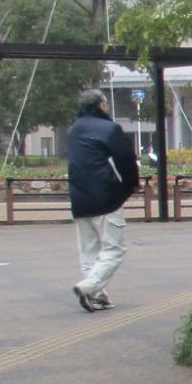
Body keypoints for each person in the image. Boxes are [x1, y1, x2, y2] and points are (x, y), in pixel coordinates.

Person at [65, 87, 140, 312]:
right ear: (101, 105)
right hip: (106, 197)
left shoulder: (73, 130)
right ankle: (89, 287)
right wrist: (130, 187)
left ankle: (97, 296)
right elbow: (127, 160)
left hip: (79, 199)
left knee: (89, 252)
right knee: (114, 250)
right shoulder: (109, 129)